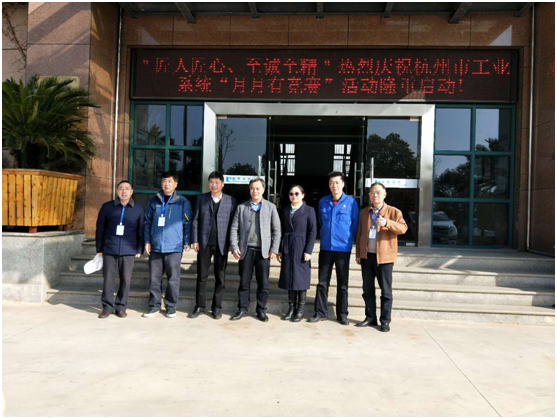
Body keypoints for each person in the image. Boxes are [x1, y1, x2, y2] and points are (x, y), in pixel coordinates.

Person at [355, 183, 407, 332]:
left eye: (378, 192)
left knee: (386, 291)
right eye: (372, 192)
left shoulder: (393, 211)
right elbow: (359, 234)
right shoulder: (364, 212)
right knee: (367, 289)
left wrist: (387, 223)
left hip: (384, 258)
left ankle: (385, 321)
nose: (375, 195)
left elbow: (403, 228)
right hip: (367, 256)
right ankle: (370, 317)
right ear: (369, 195)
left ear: (385, 194)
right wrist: (358, 254)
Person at [309, 171, 359, 325]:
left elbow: (355, 225)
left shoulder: (351, 202)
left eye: (337, 182)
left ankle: (342, 314)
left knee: (342, 284)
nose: (334, 185)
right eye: (331, 183)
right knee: (322, 283)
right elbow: (321, 222)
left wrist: (348, 241)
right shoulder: (323, 201)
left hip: (343, 249)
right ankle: (320, 312)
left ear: (343, 184)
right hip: (326, 247)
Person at [229, 177, 281, 322]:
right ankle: (242, 308)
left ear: (263, 189)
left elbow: (277, 230)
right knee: (244, 282)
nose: (255, 191)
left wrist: (274, 249)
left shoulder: (271, 207)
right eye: (252, 188)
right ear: (249, 190)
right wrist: (234, 246)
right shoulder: (241, 207)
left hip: (263, 252)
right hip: (246, 251)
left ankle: (261, 310)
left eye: (258, 188)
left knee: (263, 283)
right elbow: (234, 229)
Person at [142, 171, 192, 318]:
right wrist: (147, 241)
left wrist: (187, 241)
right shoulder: (154, 201)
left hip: (174, 246)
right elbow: (147, 222)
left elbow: (187, 223)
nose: (167, 184)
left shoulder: (183, 202)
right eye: (164, 181)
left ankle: (171, 307)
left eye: (170, 181)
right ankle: (154, 306)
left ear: (176, 184)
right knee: (154, 279)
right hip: (156, 246)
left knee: (173, 279)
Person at [190, 171, 237, 320]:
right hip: (204, 243)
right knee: (201, 277)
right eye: (211, 182)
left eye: (217, 182)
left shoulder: (231, 201)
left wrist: (232, 244)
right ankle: (199, 306)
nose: (213, 185)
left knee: (220, 277)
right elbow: (195, 220)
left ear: (222, 184)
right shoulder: (201, 199)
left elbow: (233, 224)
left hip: (222, 244)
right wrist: (195, 240)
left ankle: (217, 307)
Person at [95, 180, 144, 318]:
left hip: (129, 250)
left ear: (131, 192)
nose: (124, 191)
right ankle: (107, 307)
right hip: (110, 249)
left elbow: (141, 230)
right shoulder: (107, 207)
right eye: (121, 188)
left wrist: (139, 249)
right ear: (117, 191)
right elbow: (100, 228)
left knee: (126, 280)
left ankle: (121, 307)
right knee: (108, 280)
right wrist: (100, 248)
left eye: (127, 188)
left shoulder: (138, 208)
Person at [277, 185, 317, 322]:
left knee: (301, 278)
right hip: (288, 245)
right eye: (291, 194)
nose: (293, 196)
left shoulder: (309, 210)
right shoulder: (286, 210)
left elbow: (312, 231)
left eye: (296, 193)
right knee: (289, 277)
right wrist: (280, 249)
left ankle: (300, 310)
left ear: (303, 195)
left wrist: (308, 250)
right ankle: (291, 308)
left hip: (301, 245)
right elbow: (282, 231)